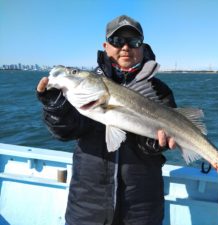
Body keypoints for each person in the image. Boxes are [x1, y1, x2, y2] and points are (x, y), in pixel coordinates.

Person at [37, 15, 177, 225]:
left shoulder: (159, 91)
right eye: (118, 41)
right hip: (87, 205)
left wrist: (153, 146)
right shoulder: (86, 88)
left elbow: (164, 139)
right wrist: (55, 107)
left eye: (134, 41)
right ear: (105, 45)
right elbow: (64, 131)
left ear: (142, 46)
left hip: (142, 207)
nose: (125, 47)